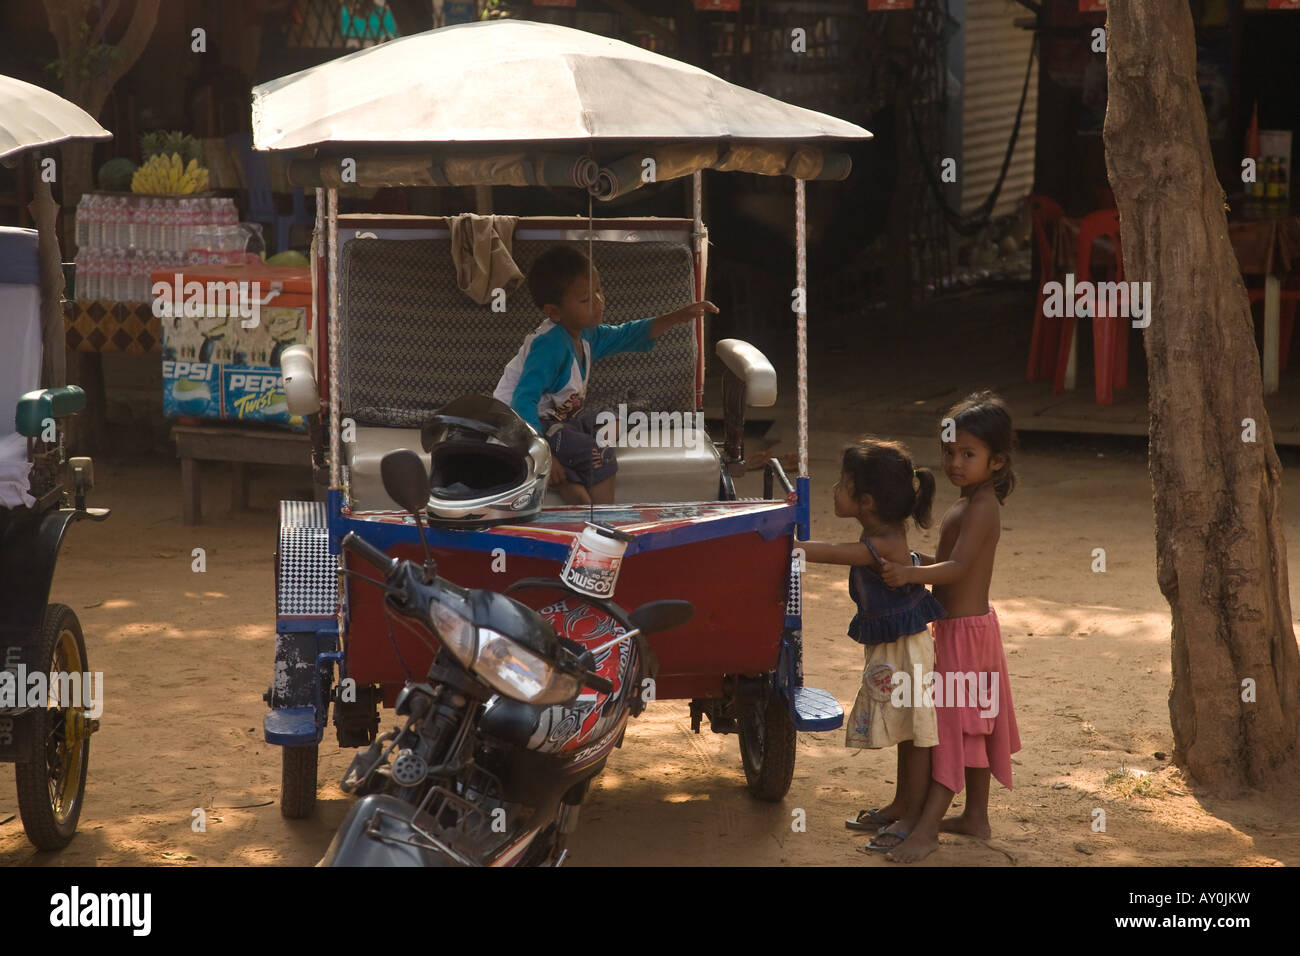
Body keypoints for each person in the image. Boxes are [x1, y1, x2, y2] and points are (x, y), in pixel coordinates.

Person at [877, 389, 1022, 863]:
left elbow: (958, 568)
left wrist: (912, 574)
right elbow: (949, 561)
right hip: (966, 629)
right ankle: (976, 815)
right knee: (973, 723)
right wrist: (917, 562)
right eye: (949, 452)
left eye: (968, 454)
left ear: (997, 461)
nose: (955, 462)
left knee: (954, 728)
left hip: (967, 634)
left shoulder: (983, 508)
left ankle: (928, 828)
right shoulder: (967, 503)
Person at [800, 438, 945, 852]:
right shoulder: (883, 532)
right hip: (893, 643)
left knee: (915, 733)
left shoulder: (880, 544)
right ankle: (903, 803)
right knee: (905, 728)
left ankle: (915, 815)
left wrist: (791, 548)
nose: (833, 490)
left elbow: (831, 553)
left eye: (841, 484)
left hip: (907, 649)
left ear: (865, 501)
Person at [494, 245, 717, 505]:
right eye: (586, 299)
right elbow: (522, 402)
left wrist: (679, 316)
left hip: (561, 421)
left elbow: (628, 334)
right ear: (554, 311)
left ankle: (570, 478)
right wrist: (542, 453)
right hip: (522, 426)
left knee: (613, 421)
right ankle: (603, 522)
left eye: (599, 291)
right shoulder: (549, 346)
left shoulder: (586, 334)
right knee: (600, 453)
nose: (599, 302)